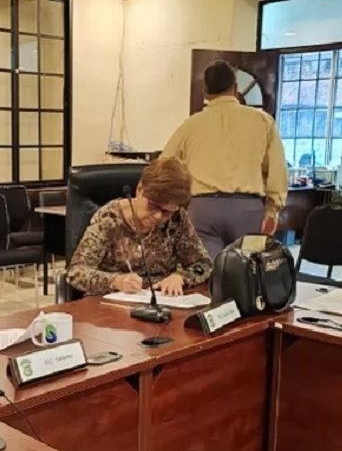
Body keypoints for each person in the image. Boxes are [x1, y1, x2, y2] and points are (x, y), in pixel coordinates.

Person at [161, 60, 288, 260]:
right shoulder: (263, 121)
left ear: (204, 92)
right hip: (248, 210)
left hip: (202, 209)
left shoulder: (190, 125)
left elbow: (164, 166)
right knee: (247, 274)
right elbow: (277, 171)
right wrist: (272, 210)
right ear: (236, 88)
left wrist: (175, 204)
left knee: (206, 275)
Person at [67, 158, 212, 297]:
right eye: (153, 205)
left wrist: (180, 277)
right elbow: (77, 273)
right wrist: (116, 281)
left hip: (163, 302)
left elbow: (204, 263)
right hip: (113, 303)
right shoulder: (109, 219)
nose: (157, 216)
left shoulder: (177, 217)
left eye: (166, 211)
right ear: (139, 189)